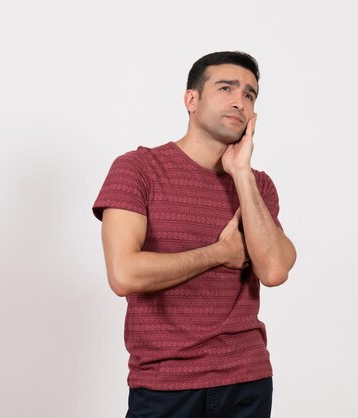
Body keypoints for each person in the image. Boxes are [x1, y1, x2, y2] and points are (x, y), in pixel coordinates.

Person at [92, 51, 296, 418]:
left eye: (250, 95)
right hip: (164, 383)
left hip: (247, 379)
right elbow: (124, 274)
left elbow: (276, 270)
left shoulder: (258, 185)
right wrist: (218, 254)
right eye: (226, 88)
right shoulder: (138, 169)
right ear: (191, 99)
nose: (240, 100)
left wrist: (241, 173)